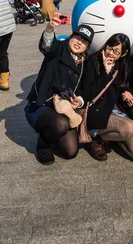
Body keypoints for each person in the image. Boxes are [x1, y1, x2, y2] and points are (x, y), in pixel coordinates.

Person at [25, 21, 94, 164]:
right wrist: (50, 28)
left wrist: (78, 100)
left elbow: (83, 89)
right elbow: (48, 47)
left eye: (84, 42)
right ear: (71, 37)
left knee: (70, 151)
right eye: (77, 37)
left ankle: (53, 133)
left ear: (87, 47)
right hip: (41, 106)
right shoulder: (59, 49)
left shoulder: (83, 63)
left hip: (64, 109)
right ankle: (43, 144)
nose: (79, 43)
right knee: (61, 124)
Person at [81, 34, 133, 163]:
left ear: (123, 54)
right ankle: (94, 139)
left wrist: (125, 92)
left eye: (116, 51)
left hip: (116, 112)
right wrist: (105, 73)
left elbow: (119, 87)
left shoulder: (122, 65)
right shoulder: (93, 61)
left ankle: (112, 137)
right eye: (109, 47)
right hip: (97, 113)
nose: (111, 53)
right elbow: (88, 94)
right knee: (129, 127)